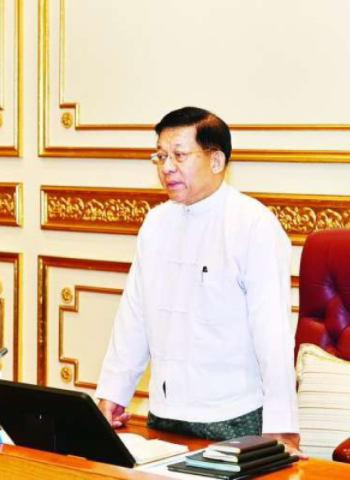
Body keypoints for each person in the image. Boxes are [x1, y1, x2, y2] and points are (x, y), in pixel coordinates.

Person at [95, 106, 302, 454]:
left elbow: (273, 333)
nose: (166, 167)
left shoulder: (253, 224)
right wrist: (114, 393)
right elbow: (134, 316)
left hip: (233, 416)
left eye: (179, 155)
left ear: (216, 160)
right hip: (164, 413)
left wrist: (282, 427)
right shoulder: (156, 223)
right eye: (160, 156)